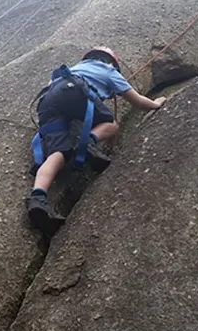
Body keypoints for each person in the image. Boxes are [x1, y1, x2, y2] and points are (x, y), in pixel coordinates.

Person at [26, 46, 166, 235]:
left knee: (57, 153)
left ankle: (38, 197)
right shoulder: (108, 70)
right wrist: (156, 104)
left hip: (48, 100)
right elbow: (137, 101)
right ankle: (88, 143)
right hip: (75, 91)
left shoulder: (74, 68)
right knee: (111, 124)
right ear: (110, 62)